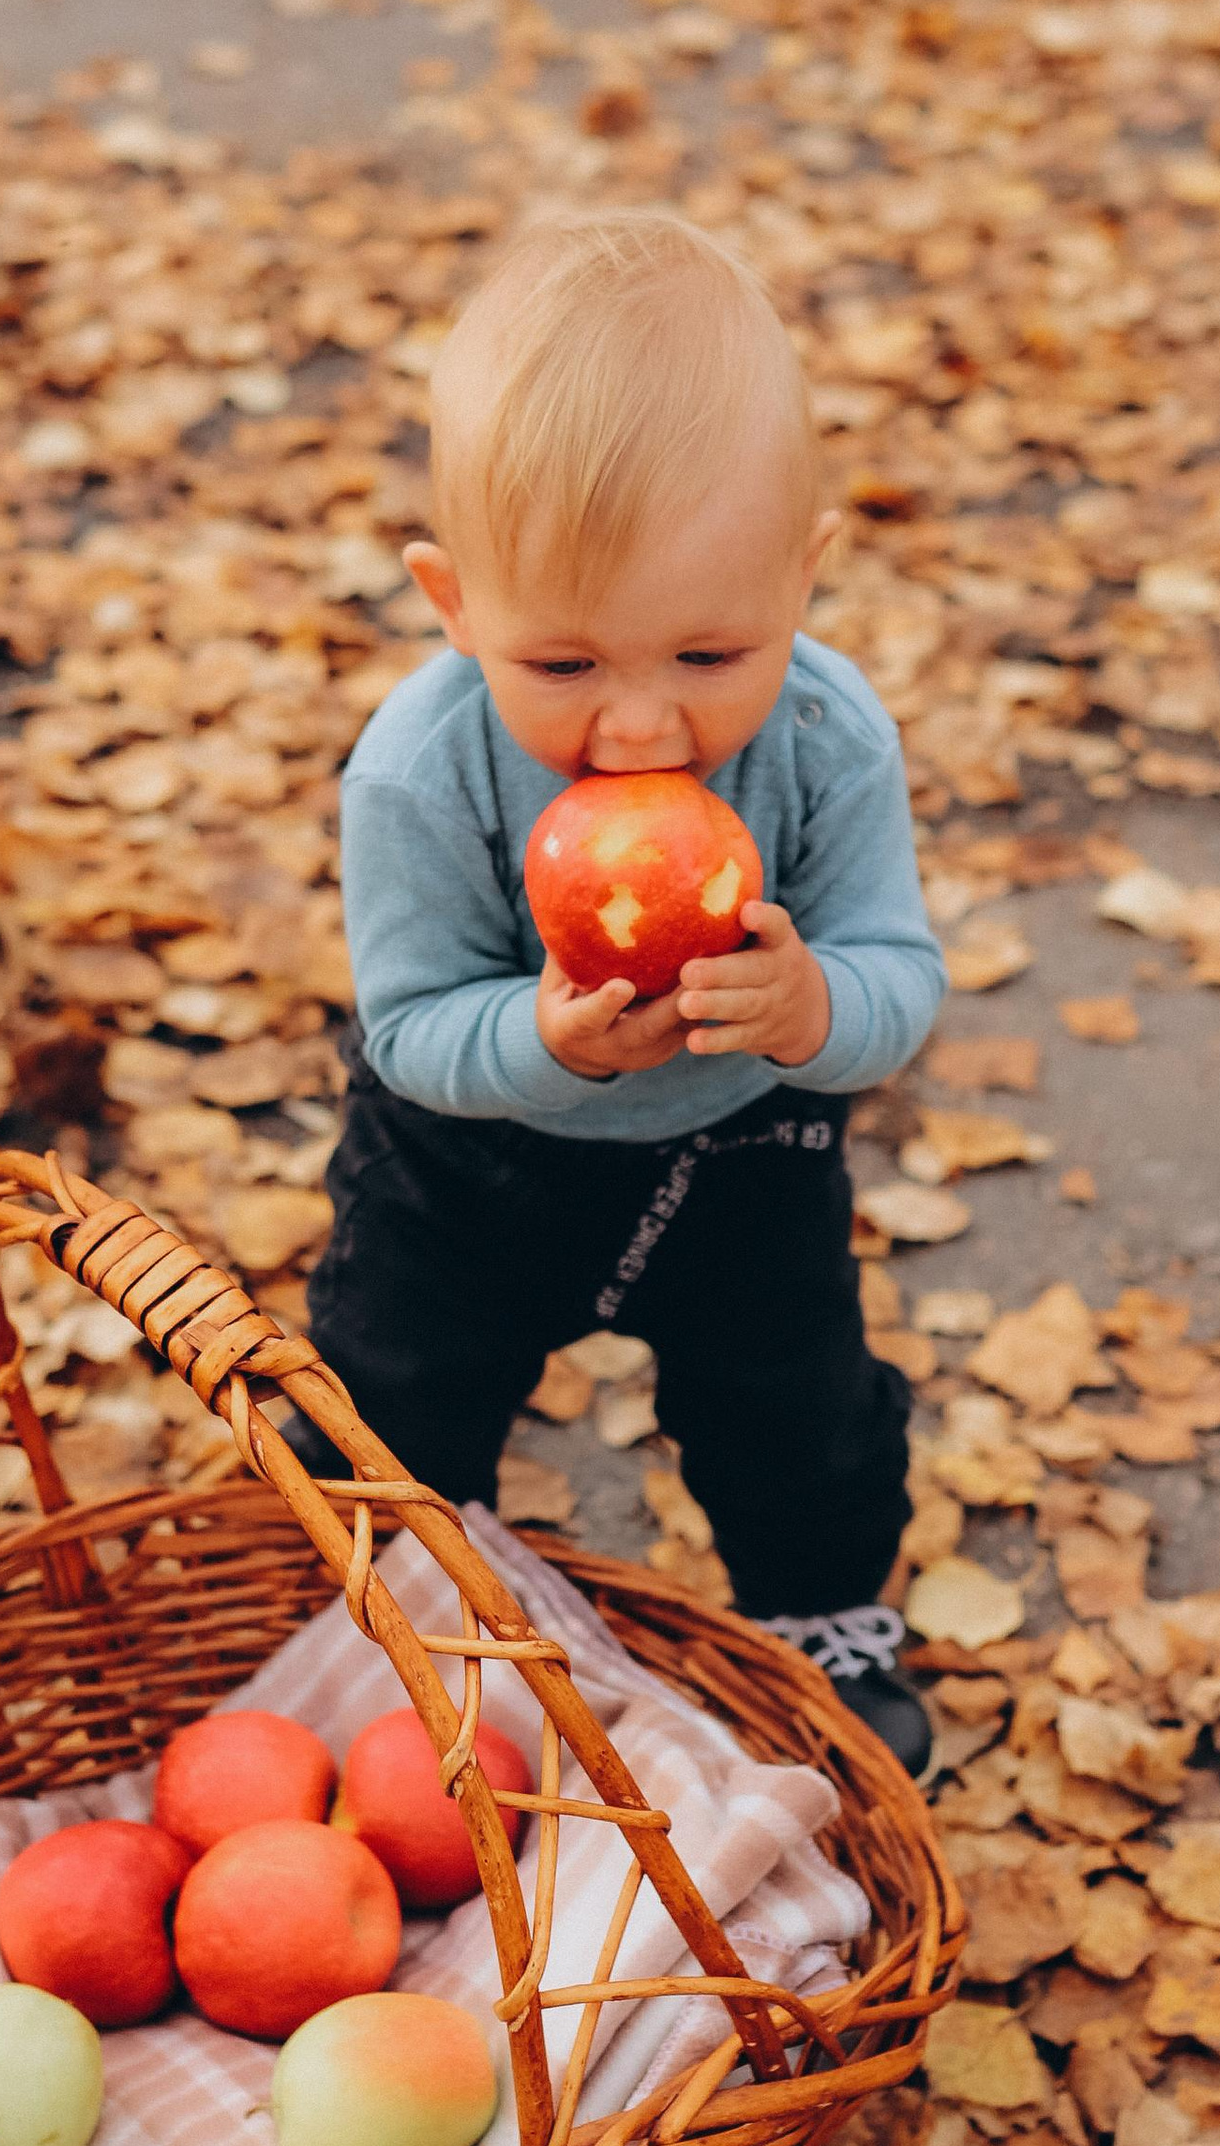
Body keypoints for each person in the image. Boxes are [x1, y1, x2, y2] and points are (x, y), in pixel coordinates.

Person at [306, 207, 946, 1779]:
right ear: (455, 604)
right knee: (392, 1384)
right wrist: (542, 1037)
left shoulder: (829, 742)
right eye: (566, 668)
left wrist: (812, 1009)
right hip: (471, 1156)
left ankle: (822, 1616)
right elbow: (410, 1026)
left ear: (804, 579)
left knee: (798, 1405)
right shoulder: (419, 772)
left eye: (711, 656)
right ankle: (397, 1617)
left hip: (745, 1153)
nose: (644, 728)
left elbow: (900, 976)